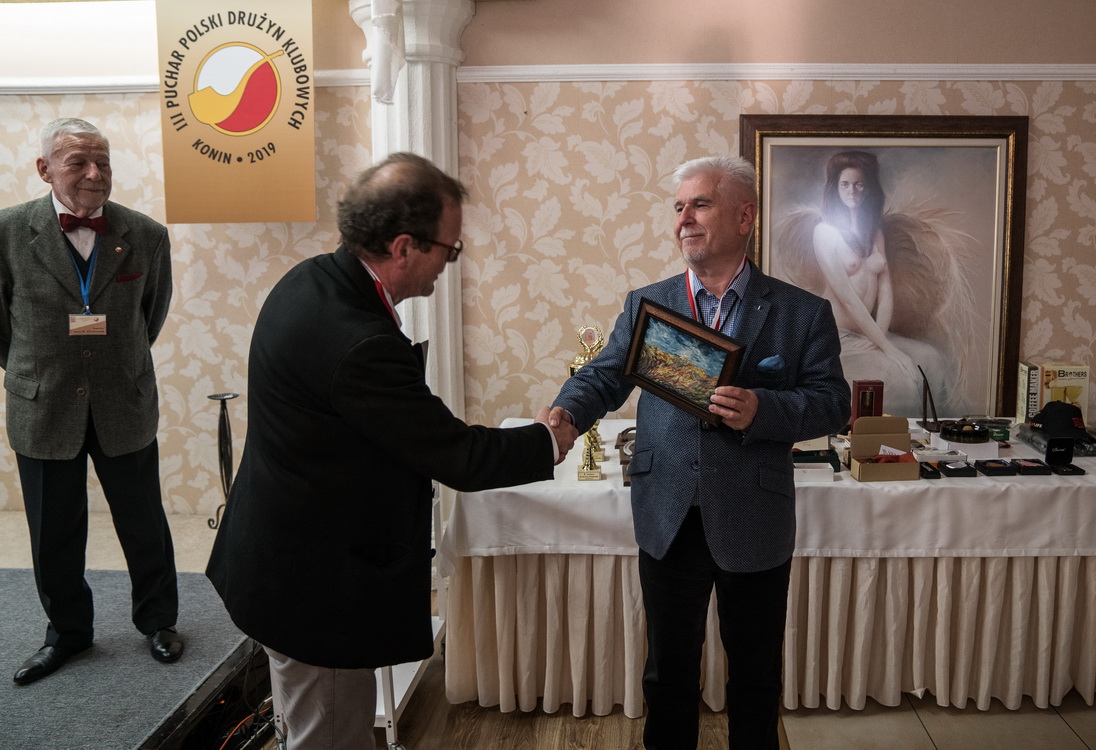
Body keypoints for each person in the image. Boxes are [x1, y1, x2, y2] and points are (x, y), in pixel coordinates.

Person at [206, 152, 578, 750]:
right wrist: (548, 442)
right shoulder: (359, 342)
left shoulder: (311, 278)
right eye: (450, 250)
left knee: (314, 726)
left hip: (283, 558)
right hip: (316, 587)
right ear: (405, 247)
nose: (450, 265)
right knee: (330, 737)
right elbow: (454, 454)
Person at [548, 155, 850, 749]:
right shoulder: (648, 303)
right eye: (679, 207)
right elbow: (605, 375)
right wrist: (566, 414)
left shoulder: (802, 312)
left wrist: (765, 410)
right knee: (668, 675)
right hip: (667, 513)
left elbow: (833, 403)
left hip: (754, 517)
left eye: (700, 204)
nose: (684, 218)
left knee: (756, 678)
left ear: (745, 217)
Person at [0, 118, 181, 686]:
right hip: (43, 403)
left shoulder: (145, 234)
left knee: (143, 521)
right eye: (77, 162)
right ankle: (68, 632)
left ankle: (159, 621)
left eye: (102, 161)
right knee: (53, 530)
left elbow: (150, 315)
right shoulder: (7, 232)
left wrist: (111, 363)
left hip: (122, 399)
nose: (94, 173)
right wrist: (34, 369)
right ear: (44, 169)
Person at [776, 150, 974, 417]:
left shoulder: (874, 232)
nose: (852, 191)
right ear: (835, 188)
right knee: (898, 376)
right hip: (838, 336)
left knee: (932, 359)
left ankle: (937, 435)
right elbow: (847, 298)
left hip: (872, 331)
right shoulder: (824, 233)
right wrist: (887, 347)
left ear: (868, 187)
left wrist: (880, 336)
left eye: (859, 184)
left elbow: (886, 291)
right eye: (845, 184)